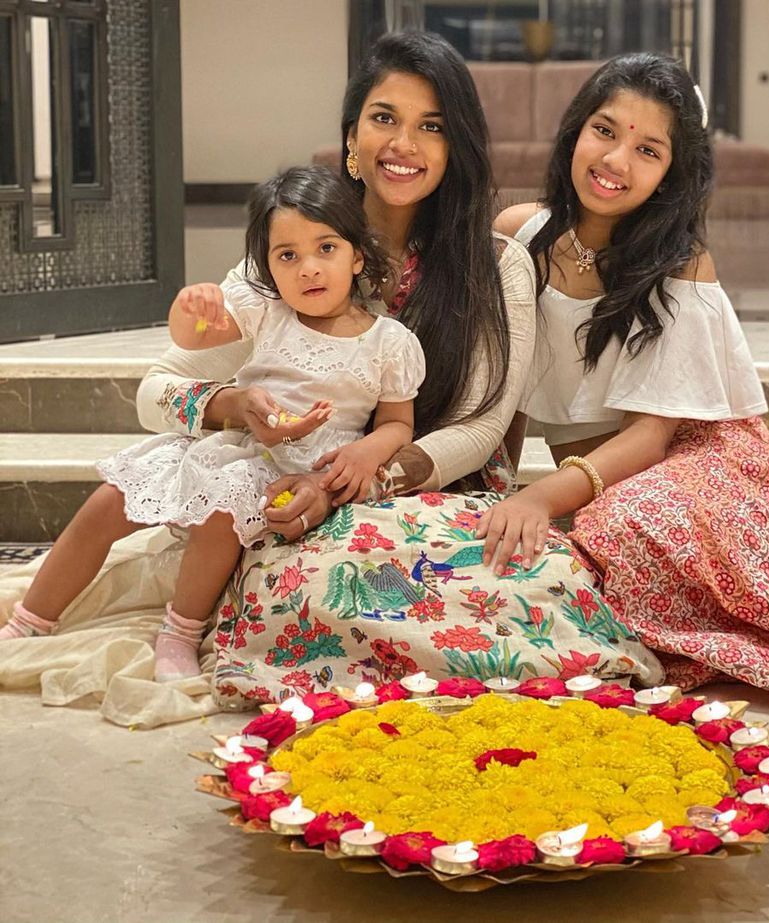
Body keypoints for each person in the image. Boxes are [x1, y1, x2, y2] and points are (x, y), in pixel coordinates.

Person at [0, 32, 536, 725]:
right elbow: (155, 389)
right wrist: (231, 405)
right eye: (384, 118)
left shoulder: (497, 266)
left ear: (457, 142)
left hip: (427, 495)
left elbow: (484, 422)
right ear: (350, 135)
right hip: (277, 490)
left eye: (431, 126)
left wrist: (360, 476)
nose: (404, 143)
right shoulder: (289, 256)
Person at [487, 52, 769, 728]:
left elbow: (652, 435)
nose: (616, 160)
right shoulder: (519, 233)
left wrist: (544, 494)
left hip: (698, 461)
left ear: (670, 173)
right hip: (617, 482)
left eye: (647, 149)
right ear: (576, 130)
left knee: (629, 524)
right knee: (602, 530)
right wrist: (496, 489)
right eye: (605, 130)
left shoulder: (679, 259)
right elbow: (505, 384)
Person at [0, 166, 426, 684]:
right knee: (109, 500)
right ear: (268, 267)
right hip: (236, 445)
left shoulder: (389, 343)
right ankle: (30, 620)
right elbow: (196, 337)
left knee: (221, 515)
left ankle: (179, 633)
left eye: (326, 249)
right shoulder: (267, 312)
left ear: (358, 255)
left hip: (299, 472)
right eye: (287, 256)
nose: (308, 269)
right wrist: (188, 310)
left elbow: (398, 424)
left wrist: (367, 453)